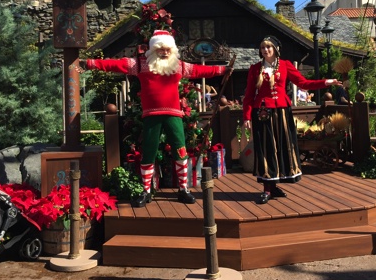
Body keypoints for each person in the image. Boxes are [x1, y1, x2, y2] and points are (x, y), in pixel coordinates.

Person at [78, 29, 230, 208]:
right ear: (153, 49)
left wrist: (223, 69)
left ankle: (183, 189)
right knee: (148, 152)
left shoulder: (179, 66)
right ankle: (146, 191)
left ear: (172, 50)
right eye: (160, 49)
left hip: (174, 115)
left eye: (167, 49)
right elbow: (114, 65)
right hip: (151, 116)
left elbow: (200, 70)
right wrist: (89, 63)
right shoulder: (140, 65)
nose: (165, 52)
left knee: (180, 151)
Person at [242, 36, 342, 205]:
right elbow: (249, 95)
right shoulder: (255, 69)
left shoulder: (286, 65)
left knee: (282, 147)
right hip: (263, 113)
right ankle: (267, 187)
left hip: (281, 112)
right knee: (266, 149)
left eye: (268, 47)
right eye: (263, 48)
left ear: (275, 49)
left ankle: (273, 186)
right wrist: (246, 116)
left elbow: (304, 83)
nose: (265, 50)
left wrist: (327, 82)